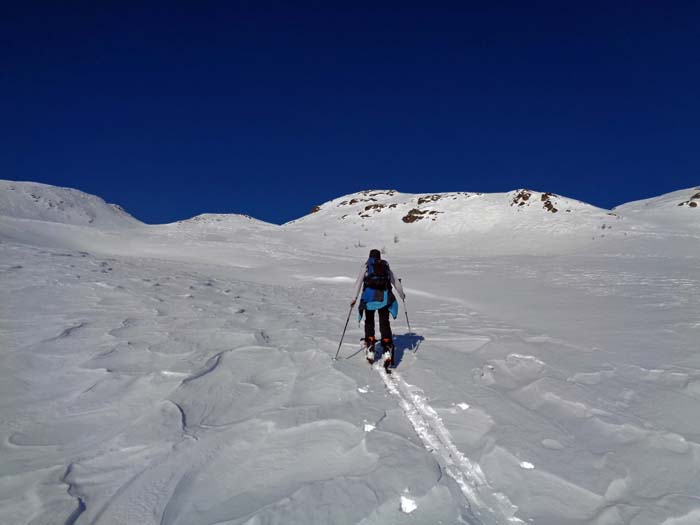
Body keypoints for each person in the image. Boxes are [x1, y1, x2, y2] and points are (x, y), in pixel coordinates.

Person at [351, 249, 405, 368]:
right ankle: (387, 347)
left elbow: (358, 283)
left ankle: (370, 345)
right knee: (384, 322)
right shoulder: (385, 266)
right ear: (379, 257)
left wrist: (353, 298)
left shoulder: (366, 266)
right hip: (384, 300)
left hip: (369, 300)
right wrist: (402, 295)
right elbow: (396, 283)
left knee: (369, 321)